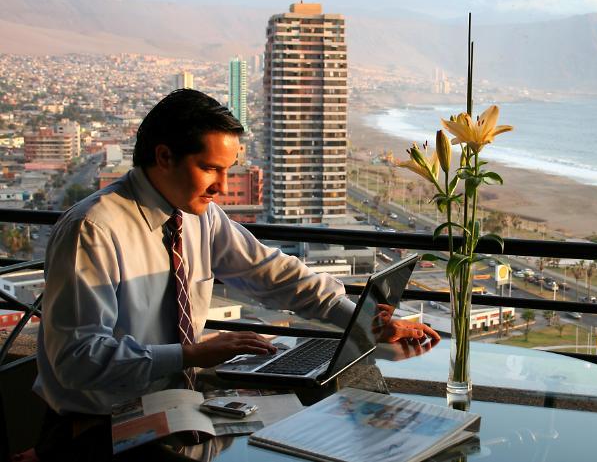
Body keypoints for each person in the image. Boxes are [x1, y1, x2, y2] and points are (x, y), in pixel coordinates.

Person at [33, 89, 439, 460]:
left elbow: (273, 273)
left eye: (228, 171)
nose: (222, 188)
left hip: (177, 412)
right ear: (164, 157)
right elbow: (76, 361)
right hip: (103, 431)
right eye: (210, 169)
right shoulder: (94, 229)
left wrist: (363, 321)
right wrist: (190, 353)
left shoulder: (197, 215)